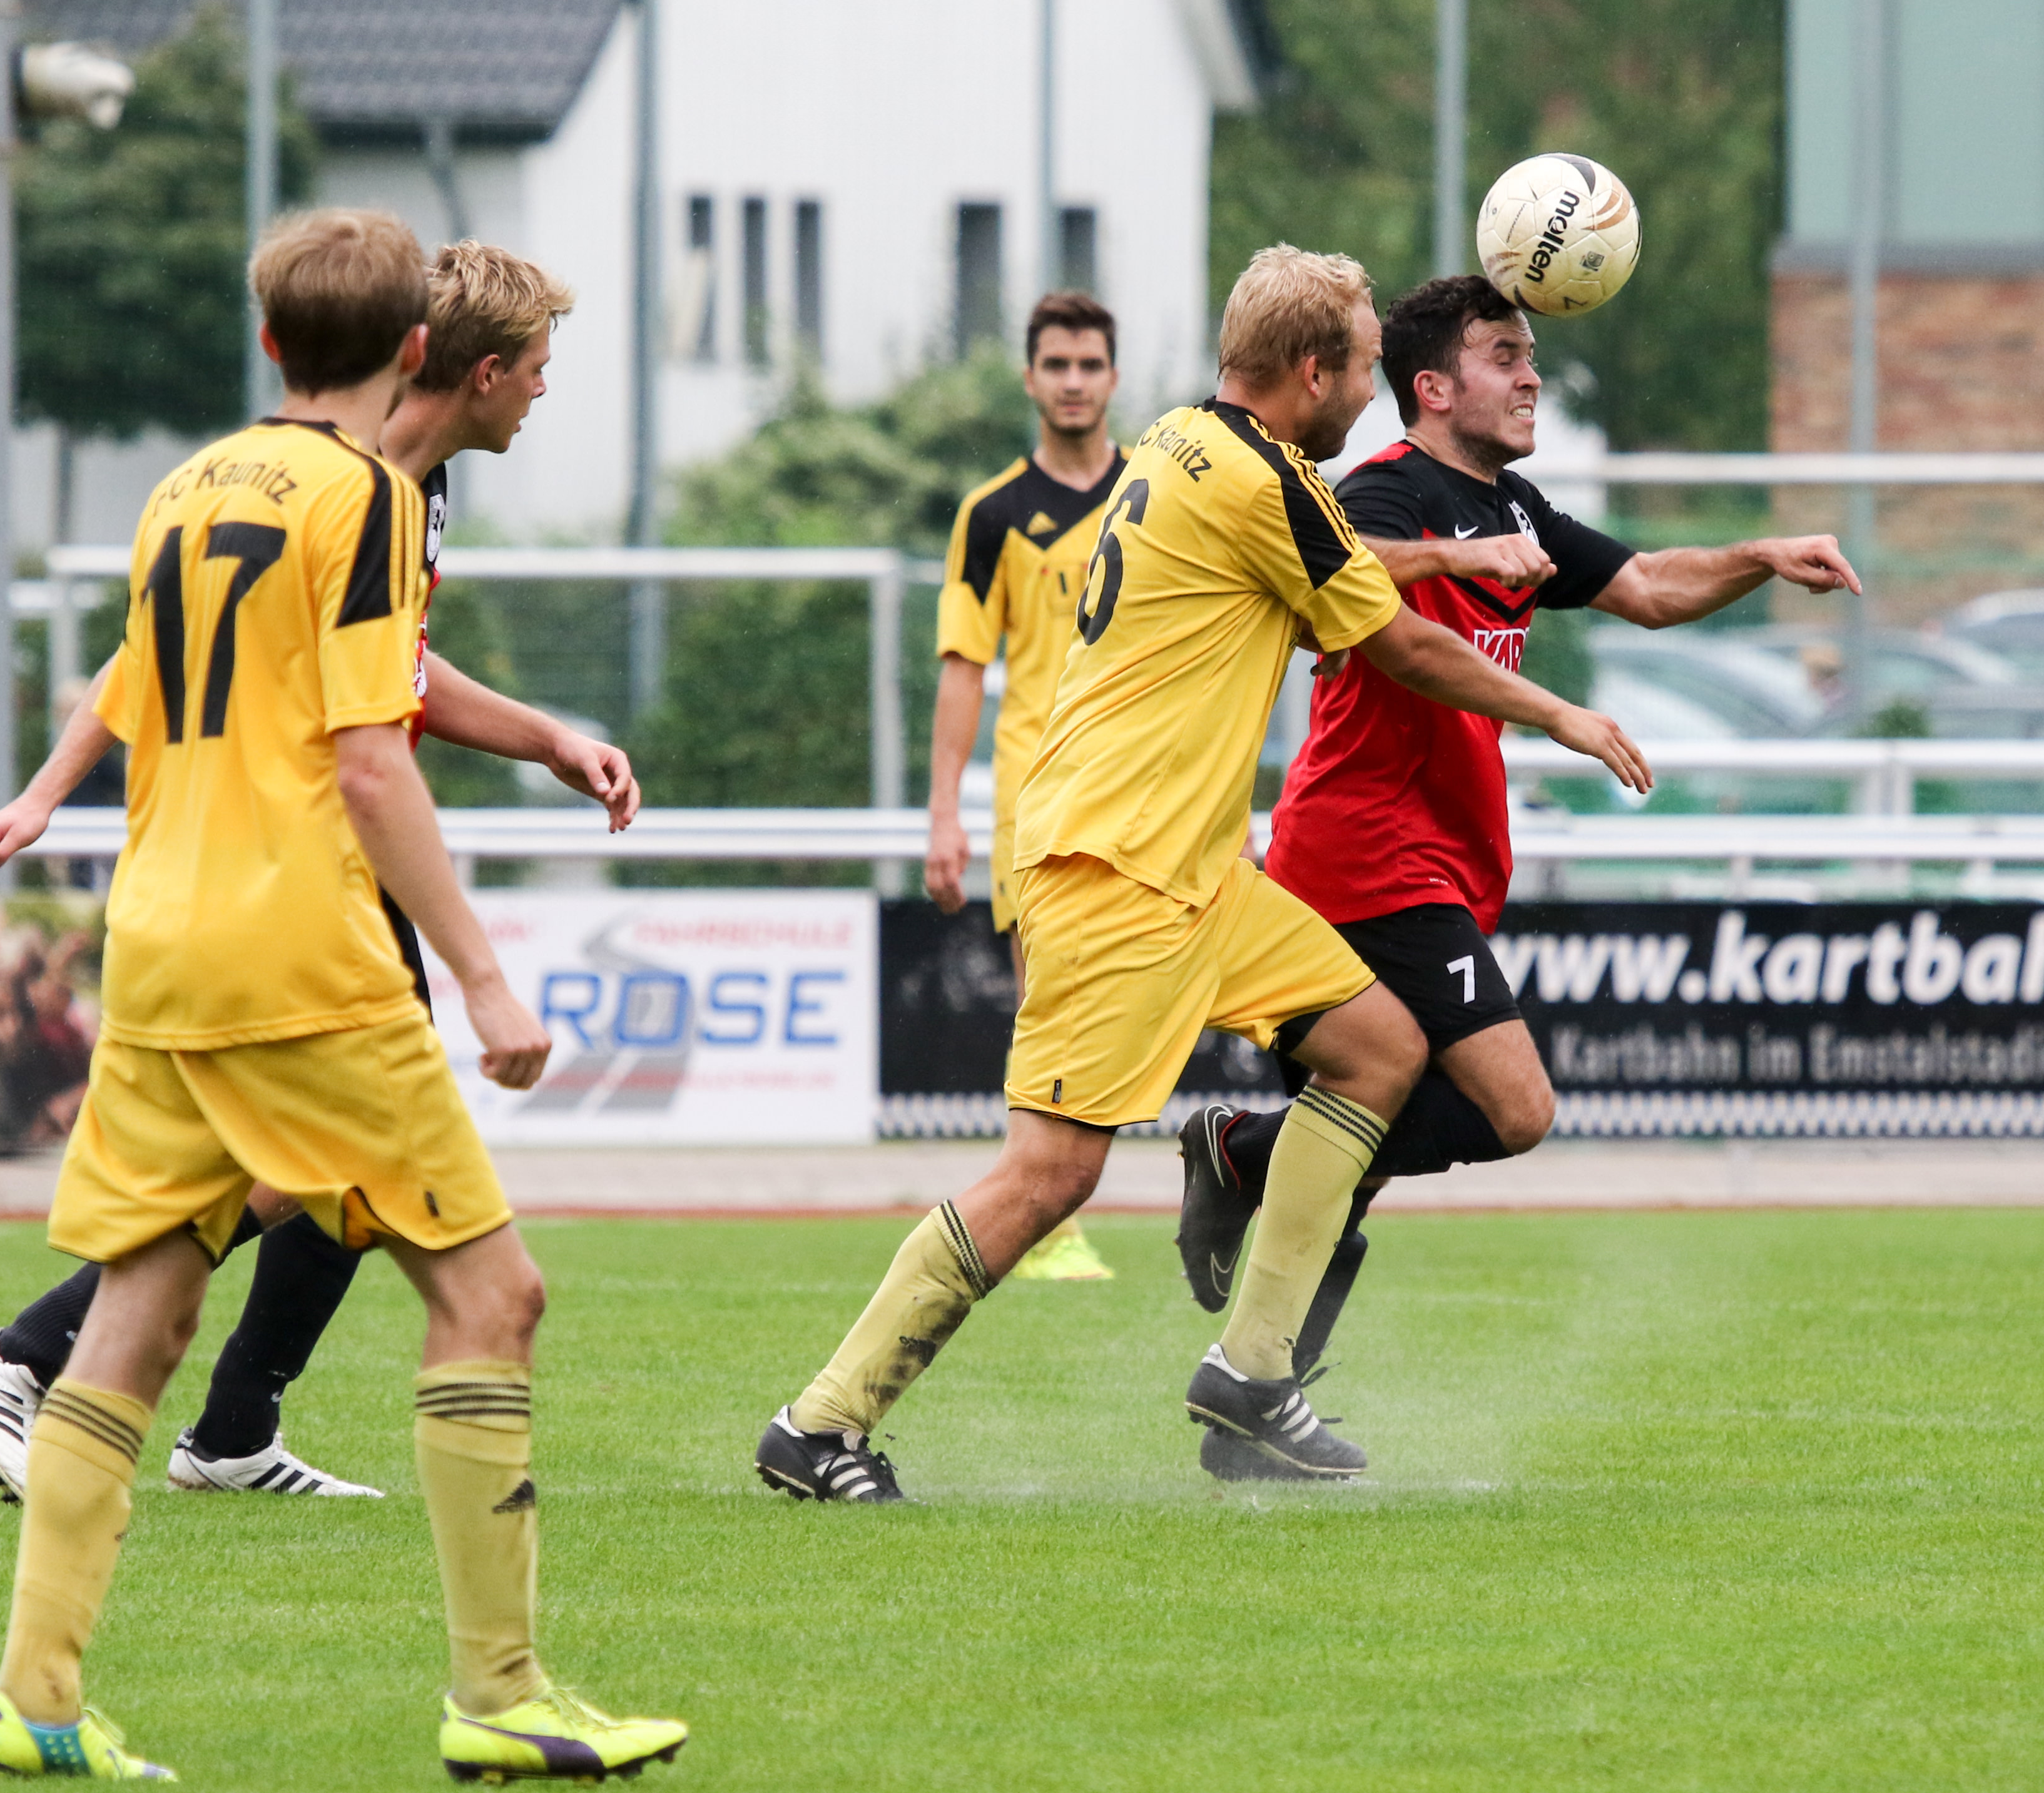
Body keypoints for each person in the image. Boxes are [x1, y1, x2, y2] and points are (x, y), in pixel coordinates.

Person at [0, 208, 683, 1783]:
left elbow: (143, 679)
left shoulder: (189, 485)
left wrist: (40, 796)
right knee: (491, 1298)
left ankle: (35, 1699)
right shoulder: (372, 499)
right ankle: (503, 1697)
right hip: (297, 950)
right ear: (417, 348)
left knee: (139, 1315)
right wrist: (483, 977)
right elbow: (369, 761)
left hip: (159, 943)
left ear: (271, 341)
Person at [752, 245, 1649, 1502]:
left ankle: (1253, 1371)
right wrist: (1560, 715)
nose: (1371, 395)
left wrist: (1450, 562)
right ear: (1312, 372)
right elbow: (1398, 645)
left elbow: (1350, 569)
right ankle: (819, 1423)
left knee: (1378, 1048)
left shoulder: (1185, 440)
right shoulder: (1263, 482)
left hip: (1196, 871)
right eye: (1360, 369)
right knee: (1049, 1176)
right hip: (1115, 870)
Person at [1174, 274, 1861, 1479]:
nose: (1532, 374)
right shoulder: (1384, 488)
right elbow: (1341, 570)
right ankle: (1240, 1158)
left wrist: (1761, 555)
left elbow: (1647, 587)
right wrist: (1529, 666)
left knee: (1346, 1167)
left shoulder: (1516, 505)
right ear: (1432, 387)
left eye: (1530, 353)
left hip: (1425, 859)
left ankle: (1252, 1401)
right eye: (1504, 353)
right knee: (1515, 1107)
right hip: (1365, 857)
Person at [925, 291, 1129, 1284]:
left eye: (1089, 365)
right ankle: (1046, 1219)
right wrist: (942, 816)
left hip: (1148, 791)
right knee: (1043, 1004)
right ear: (1030, 378)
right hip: (1038, 800)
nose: (1073, 382)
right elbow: (963, 668)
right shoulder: (992, 515)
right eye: (1057, 364)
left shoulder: (1158, 495)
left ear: (1114, 378)